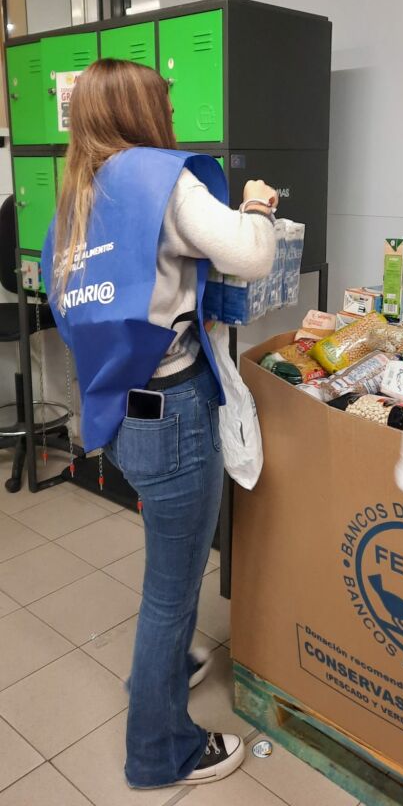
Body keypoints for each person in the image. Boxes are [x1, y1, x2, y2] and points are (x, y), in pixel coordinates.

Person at [42, 59, 277, 790]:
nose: (170, 117)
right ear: (142, 111)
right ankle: (159, 750)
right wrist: (258, 206)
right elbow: (249, 253)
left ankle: (164, 668)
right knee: (171, 592)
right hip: (172, 414)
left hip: (120, 408)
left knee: (164, 573)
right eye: (164, 106)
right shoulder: (160, 180)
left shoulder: (80, 192)